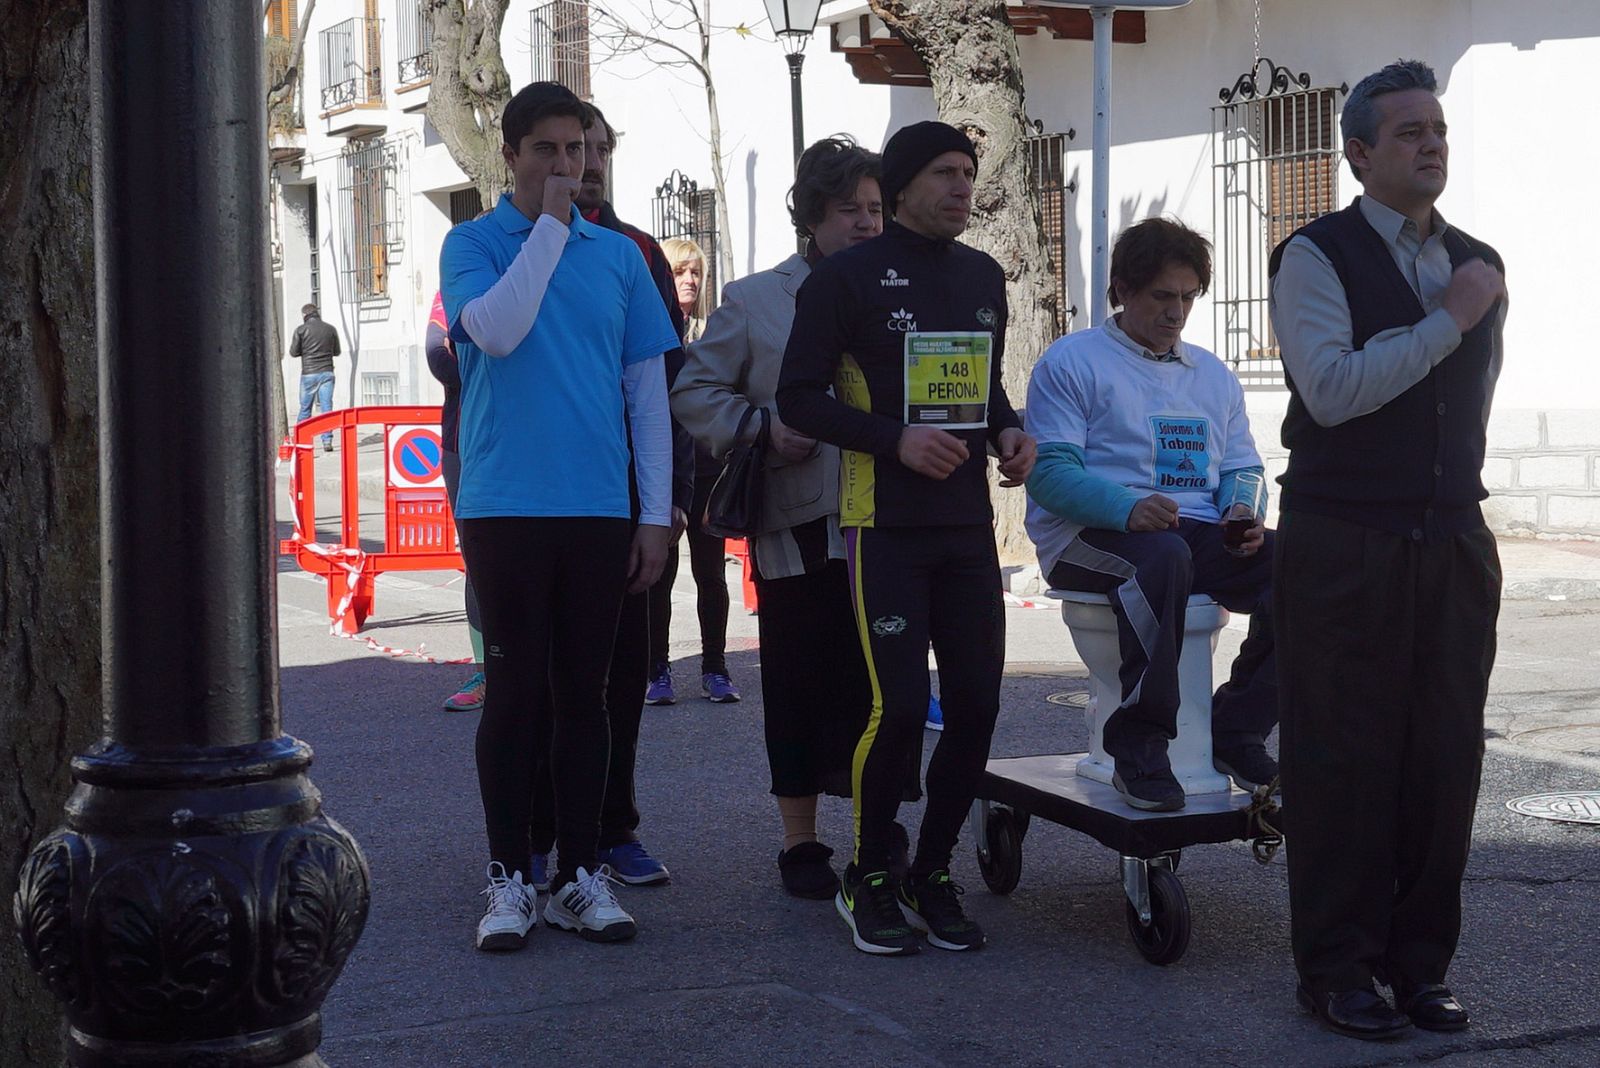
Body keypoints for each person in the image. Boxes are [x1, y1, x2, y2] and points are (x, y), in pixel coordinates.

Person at [1268, 60, 1506, 1040]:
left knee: (1443, 760)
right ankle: (1337, 970)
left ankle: (1419, 968)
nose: (1431, 144)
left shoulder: (1476, 259)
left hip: (1449, 538)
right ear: (1360, 154)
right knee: (1341, 758)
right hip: (1344, 538)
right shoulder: (1313, 255)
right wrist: (1450, 319)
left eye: (1437, 128)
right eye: (1409, 132)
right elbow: (1330, 391)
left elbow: (1464, 406)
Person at [777, 120, 1036, 955]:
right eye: (945, 172)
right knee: (893, 708)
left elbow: (981, 387)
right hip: (883, 525)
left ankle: (932, 868)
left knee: (977, 704)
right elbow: (798, 398)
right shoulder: (844, 278)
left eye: (969, 171)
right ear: (901, 186)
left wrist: (1009, 432)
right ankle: (868, 873)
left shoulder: (982, 275)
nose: (963, 187)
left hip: (965, 527)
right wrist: (894, 441)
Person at [440, 82, 679, 952]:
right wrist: (547, 228)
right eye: (546, 149)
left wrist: (655, 513)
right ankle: (511, 875)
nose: (566, 166)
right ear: (509, 155)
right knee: (514, 695)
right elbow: (497, 331)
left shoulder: (620, 257)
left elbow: (646, 393)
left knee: (587, 696)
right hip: (505, 505)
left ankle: (580, 872)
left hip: (597, 508)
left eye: (576, 149)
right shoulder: (472, 243)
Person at [672, 136, 889, 898]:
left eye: (876, 209)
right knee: (798, 679)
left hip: (887, 518)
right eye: (849, 209)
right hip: (798, 520)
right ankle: (801, 842)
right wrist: (760, 426)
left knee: (880, 683)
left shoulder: (900, 290)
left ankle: (875, 834)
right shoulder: (757, 299)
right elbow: (694, 391)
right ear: (812, 217)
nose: (866, 223)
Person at [1024, 218, 1279, 813]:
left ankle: (1238, 729)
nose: (1177, 312)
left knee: (1304, 565)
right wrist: (1127, 507)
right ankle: (1138, 748)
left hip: (1188, 531)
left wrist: (1242, 510)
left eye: (1188, 297)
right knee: (1162, 559)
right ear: (1122, 289)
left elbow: (1242, 466)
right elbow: (1050, 474)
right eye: (1163, 296)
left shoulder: (1212, 374)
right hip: (1086, 536)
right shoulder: (1073, 361)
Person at [522, 100, 693, 891]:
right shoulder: (499, 244)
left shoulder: (636, 251)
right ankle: (535, 833)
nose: (583, 165)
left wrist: (669, 498)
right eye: (568, 149)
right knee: (538, 677)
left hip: (625, 497)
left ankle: (613, 827)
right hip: (532, 497)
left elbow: (665, 383)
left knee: (621, 674)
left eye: (595, 149)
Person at [648, 237, 740, 706]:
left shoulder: (714, 331)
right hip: (662, 467)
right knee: (658, 574)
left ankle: (715, 668)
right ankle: (657, 669)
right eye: (680, 271)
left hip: (707, 469)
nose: (689, 280)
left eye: (696, 272)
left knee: (711, 574)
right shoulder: (654, 327)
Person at [425, 291, 485, 711]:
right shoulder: (459, 276)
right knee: (479, 557)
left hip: (531, 441)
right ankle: (487, 669)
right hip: (463, 444)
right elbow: (436, 353)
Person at [289, 303, 340, 452]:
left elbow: (293, 352)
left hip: (309, 373)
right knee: (327, 408)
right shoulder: (330, 329)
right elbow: (337, 351)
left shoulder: (300, 330)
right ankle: (327, 441)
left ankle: (300, 440)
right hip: (327, 372)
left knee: (305, 408)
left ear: (304, 315)